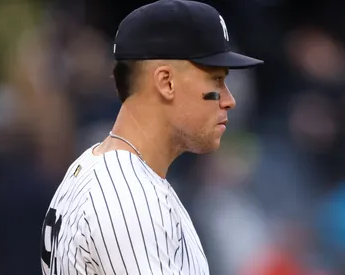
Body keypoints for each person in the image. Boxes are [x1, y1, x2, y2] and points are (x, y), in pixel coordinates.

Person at [40, 0, 263, 274]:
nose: (229, 100)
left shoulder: (94, 167)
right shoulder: (128, 196)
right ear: (166, 82)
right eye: (216, 80)